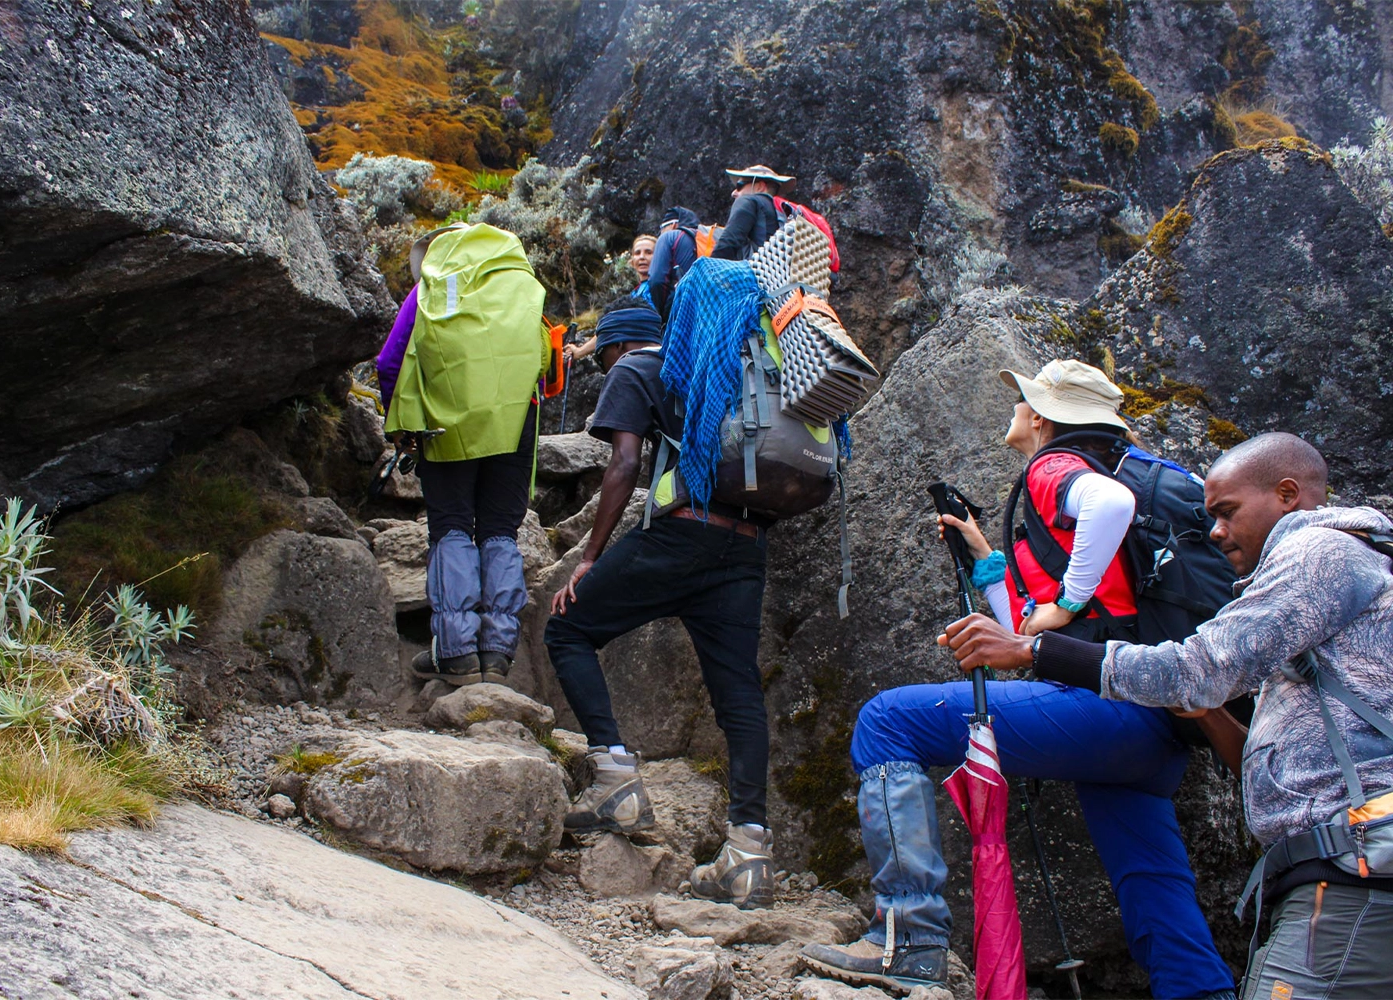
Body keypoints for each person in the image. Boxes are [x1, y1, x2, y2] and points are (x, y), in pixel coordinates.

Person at [801, 360, 1237, 1000]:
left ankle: (909, 937)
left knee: (886, 721)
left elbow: (1063, 602)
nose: (1016, 412)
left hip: (1104, 709)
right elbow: (1032, 630)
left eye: (1022, 402)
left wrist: (1066, 601)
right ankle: (1200, 990)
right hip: (1158, 727)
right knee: (1151, 875)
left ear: (1041, 417)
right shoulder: (1129, 476)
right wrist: (986, 558)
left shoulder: (1052, 467)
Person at [941, 432, 1393, 1000]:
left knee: (890, 718)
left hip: (1355, 868)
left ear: (1286, 494)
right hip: (1346, 864)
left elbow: (1197, 667)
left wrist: (1034, 651)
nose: (1216, 532)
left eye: (1227, 513)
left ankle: (911, 936)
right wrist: (1206, 714)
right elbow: (1253, 760)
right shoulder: (1340, 578)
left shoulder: (1321, 553)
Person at [543, 298, 777, 910]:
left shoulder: (634, 366)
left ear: (618, 345)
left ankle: (616, 781)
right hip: (746, 547)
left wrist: (589, 557)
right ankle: (748, 854)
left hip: (682, 535)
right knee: (739, 697)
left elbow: (624, 463)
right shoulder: (730, 365)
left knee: (568, 629)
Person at [382, 223, 546, 687]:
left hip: (446, 418)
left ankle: (455, 654)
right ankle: (496, 653)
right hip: (517, 420)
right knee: (500, 531)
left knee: (452, 525)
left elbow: (390, 360)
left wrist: (403, 425)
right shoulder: (515, 287)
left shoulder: (431, 289)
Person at [565, 234, 657, 362]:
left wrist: (580, 351)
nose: (642, 257)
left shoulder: (659, 288)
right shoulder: (636, 293)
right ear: (631, 261)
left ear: (659, 257)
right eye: (637, 253)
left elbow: (613, 326)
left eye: (648, 252)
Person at [710, 164, 793, 261]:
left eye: (739, 185)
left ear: (759, 187)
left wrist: (707, 270)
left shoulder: (749, 200)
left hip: (754, 271)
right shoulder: (784, 211)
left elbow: (729, 241)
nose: (734, 193)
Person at [648, 206, 702, 320]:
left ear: (673, 225)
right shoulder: (705, 240)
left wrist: (661, 315)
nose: (660, 233)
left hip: (679, 311)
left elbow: (657, 280)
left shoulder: (669, 237)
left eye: (661, 228)